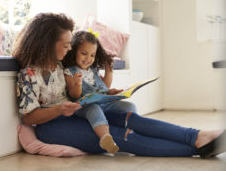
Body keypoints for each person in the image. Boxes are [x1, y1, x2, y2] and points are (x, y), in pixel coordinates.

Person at [13, 12, 225, 158]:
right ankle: (197, 149)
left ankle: (197, 136)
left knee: (132, 119)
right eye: (65, 45)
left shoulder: (62, 66)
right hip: (54, 127)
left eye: (70, 44)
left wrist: (105, 94)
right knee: (123, 137)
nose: (69, 49)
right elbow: (30, 116)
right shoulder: (28, 75)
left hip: (79, 112)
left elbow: (80, 87)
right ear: (48, 44)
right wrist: (59, 109)